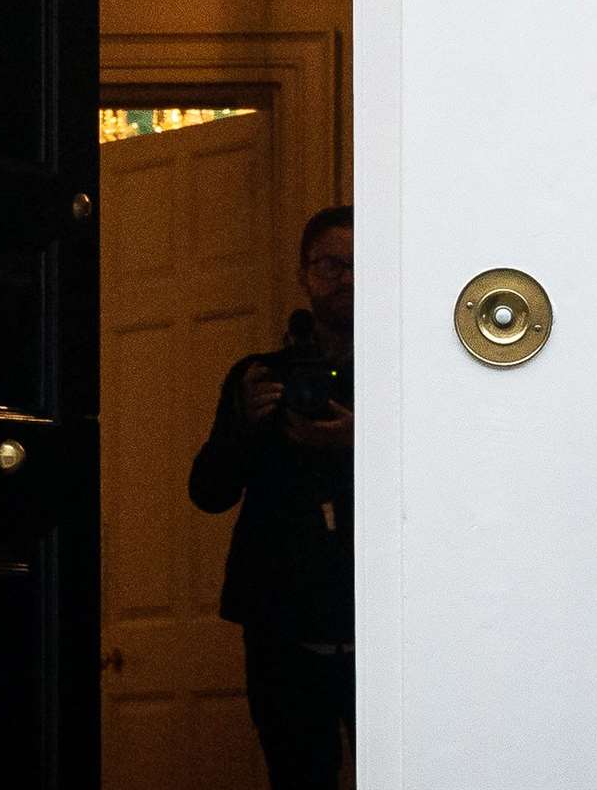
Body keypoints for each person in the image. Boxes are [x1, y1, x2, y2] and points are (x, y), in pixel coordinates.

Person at [189, 206, 355, 790]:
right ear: (304, 274)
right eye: (331, 264)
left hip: (381, 616)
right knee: (297, 777)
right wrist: (243, 422)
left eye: (360, 265)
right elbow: (208, 493)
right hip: (282, 622)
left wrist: (361, 440)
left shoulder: (405, 372)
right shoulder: (259, 376)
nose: (347, 279)